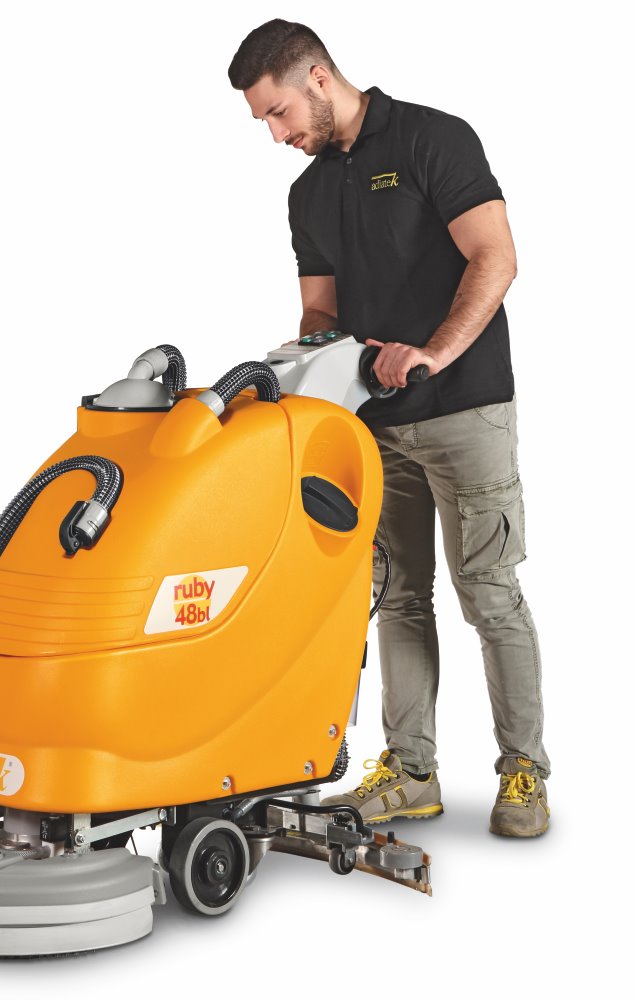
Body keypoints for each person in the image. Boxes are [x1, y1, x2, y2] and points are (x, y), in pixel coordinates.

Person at [228, 19, 550, 837]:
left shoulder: (433, 140)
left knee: (490, 594)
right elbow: (319, 309)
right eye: (264, 122)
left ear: (318, 79)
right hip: (373, 428)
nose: (276, 134)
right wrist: (302, 362)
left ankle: (524, 776)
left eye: (278, 113)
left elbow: (496, 258)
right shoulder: (307, 191)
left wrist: (432, 353)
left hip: (466, 406)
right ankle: (411, 771)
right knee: (398, 597)